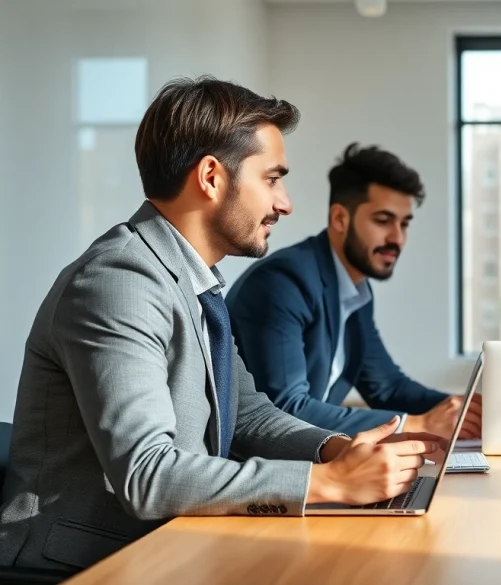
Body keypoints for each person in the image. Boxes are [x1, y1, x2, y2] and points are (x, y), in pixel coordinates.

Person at [0, 77, 441, 572]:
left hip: (170, 546)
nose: (285, 203)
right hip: (81, 564)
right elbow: (148, 475)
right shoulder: (119, 281)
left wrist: (335, 451)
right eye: (271, 179)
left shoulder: (192, 283)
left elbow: (249, 416)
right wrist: (328, 484)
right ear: (211, 177)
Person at [226, 143, 480, 440]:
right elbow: (287, 409)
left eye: (404, 224)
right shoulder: (283, 282)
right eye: (383, 221)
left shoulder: (354, 289)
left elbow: (387, 387)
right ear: (340, 219)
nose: (397, 238)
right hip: (260, 463)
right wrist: (416, 425)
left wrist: (467, 410)